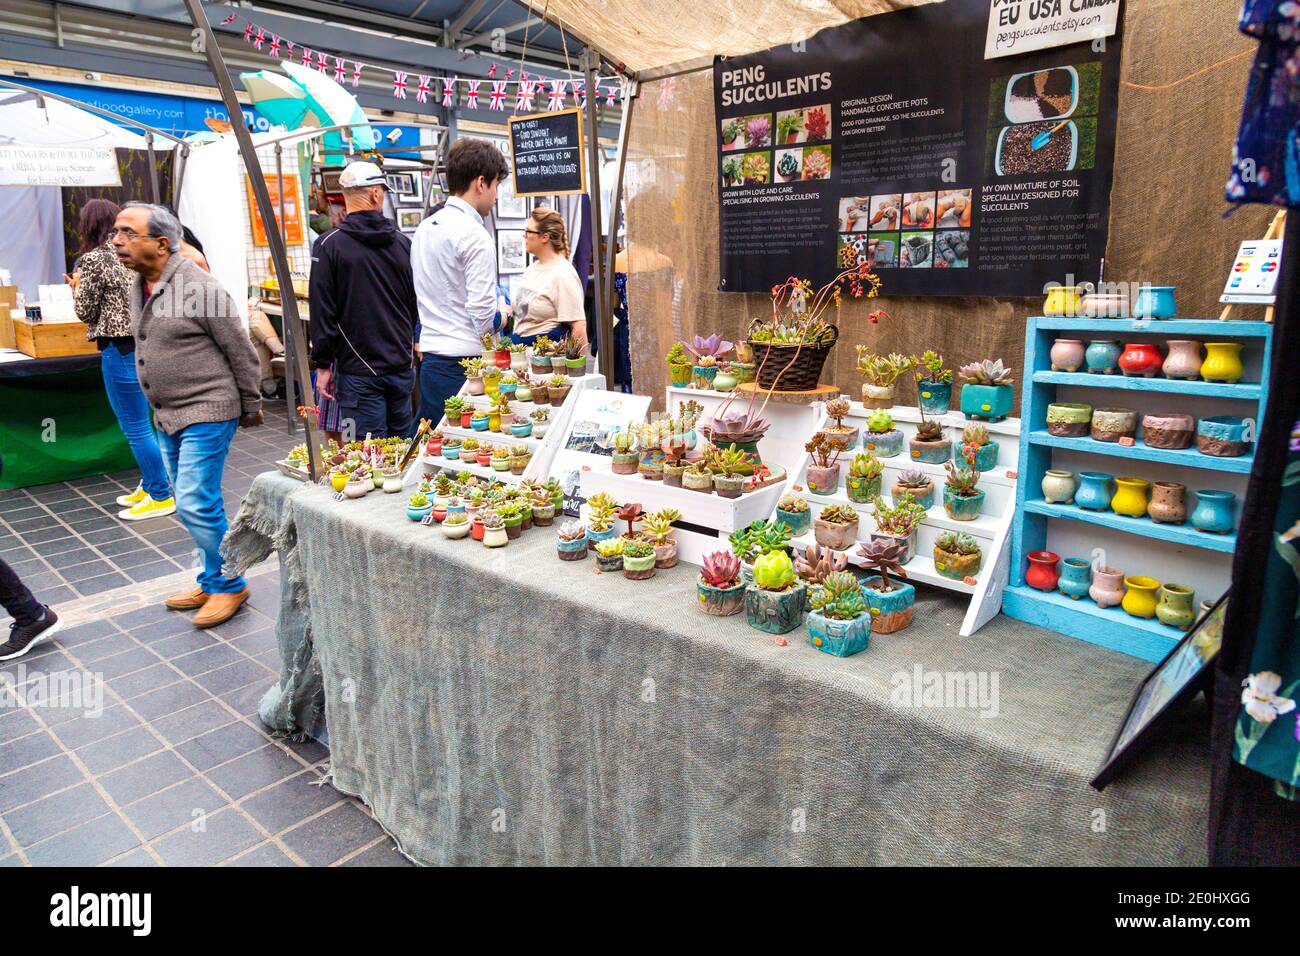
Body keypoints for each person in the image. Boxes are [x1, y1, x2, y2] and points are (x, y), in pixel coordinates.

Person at [113, 202, 263, 628]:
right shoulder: (138, 285)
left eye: (128, 233)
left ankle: (230, 584)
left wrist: (250, 406)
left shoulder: (199, 288)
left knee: (197, 500)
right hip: (167, 413)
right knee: (188, 501)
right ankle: (211, 576)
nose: (118, 242)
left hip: (209, 408)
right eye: (116, 233)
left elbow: (240, 349)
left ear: (161, 244)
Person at [66, 198, 175, 521]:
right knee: (151, 424)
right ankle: (152, 483)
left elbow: (85, 311)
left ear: (86, 226)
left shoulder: (93, 261)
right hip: (152, 345)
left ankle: (160, 494)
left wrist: (76, 287)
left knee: (136, 428)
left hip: (121, 350)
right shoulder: (139, 253)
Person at [309, 161, 418, 440]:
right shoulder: (403, 244)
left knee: (364, 456)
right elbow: (413, 303)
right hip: (400, 367)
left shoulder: (328, 245)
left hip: (357, 372)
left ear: (345, 195)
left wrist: (323, 365)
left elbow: (322, 312)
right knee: (400, 454)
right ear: (375, 194)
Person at [411, 138, 509, 424]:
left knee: (434, 455)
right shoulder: (474, 236)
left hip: (431, 361)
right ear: (481, 182)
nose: (497, 195)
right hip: (464, 367)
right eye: (496, 186)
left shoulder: (425, 228)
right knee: (467, 451)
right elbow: (482, 319)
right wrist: (504, 314)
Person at [508, 207, 588, 350]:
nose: (524, 236)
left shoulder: (563, 274)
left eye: (528, 231)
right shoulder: (531, 269)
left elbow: (578, 327)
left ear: (544, 237)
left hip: (546, 362)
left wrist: (577, 369)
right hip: (521, 355)